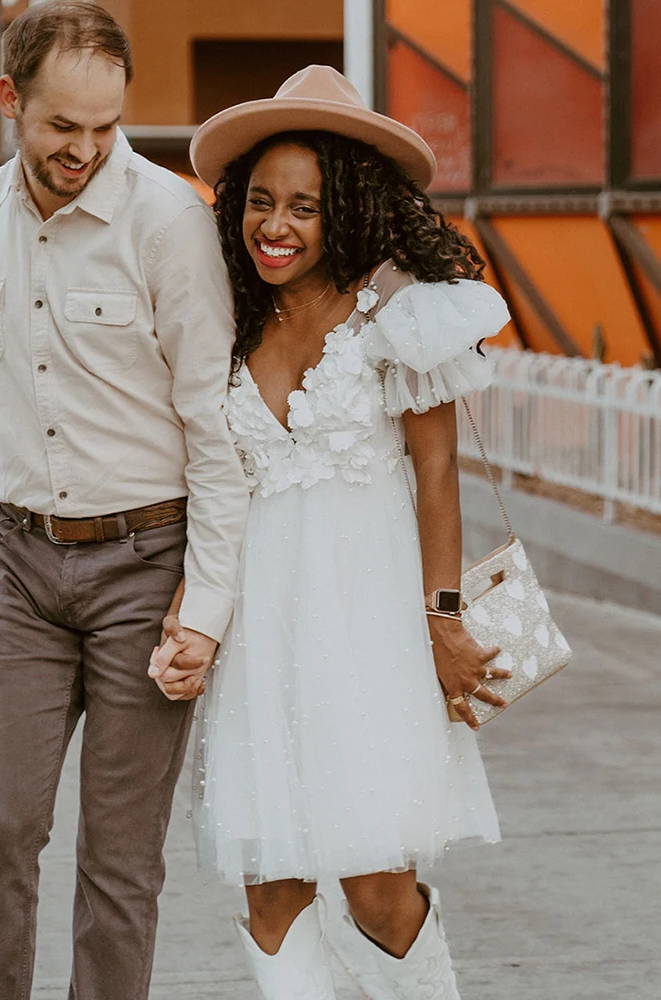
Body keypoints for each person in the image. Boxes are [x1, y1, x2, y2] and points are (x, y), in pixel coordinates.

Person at [0, 4, 249, 998]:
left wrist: (206, 610)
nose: (85, 149)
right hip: (21, 565)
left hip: (147, 565)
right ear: (11, 101)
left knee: (119, 860)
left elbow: (215, 431)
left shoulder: (170, 220)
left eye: (103, 126)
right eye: (60, 127)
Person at [151, 66, 513, 999]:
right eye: (260, 202)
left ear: (345, 207)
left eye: (303, 206)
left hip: (370, 631)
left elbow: (437, 475)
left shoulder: (399, 318)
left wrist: (444, 621)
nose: (276, 225)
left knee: (378, 886)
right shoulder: (225, 321)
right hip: (257, 632)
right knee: (269, 892)